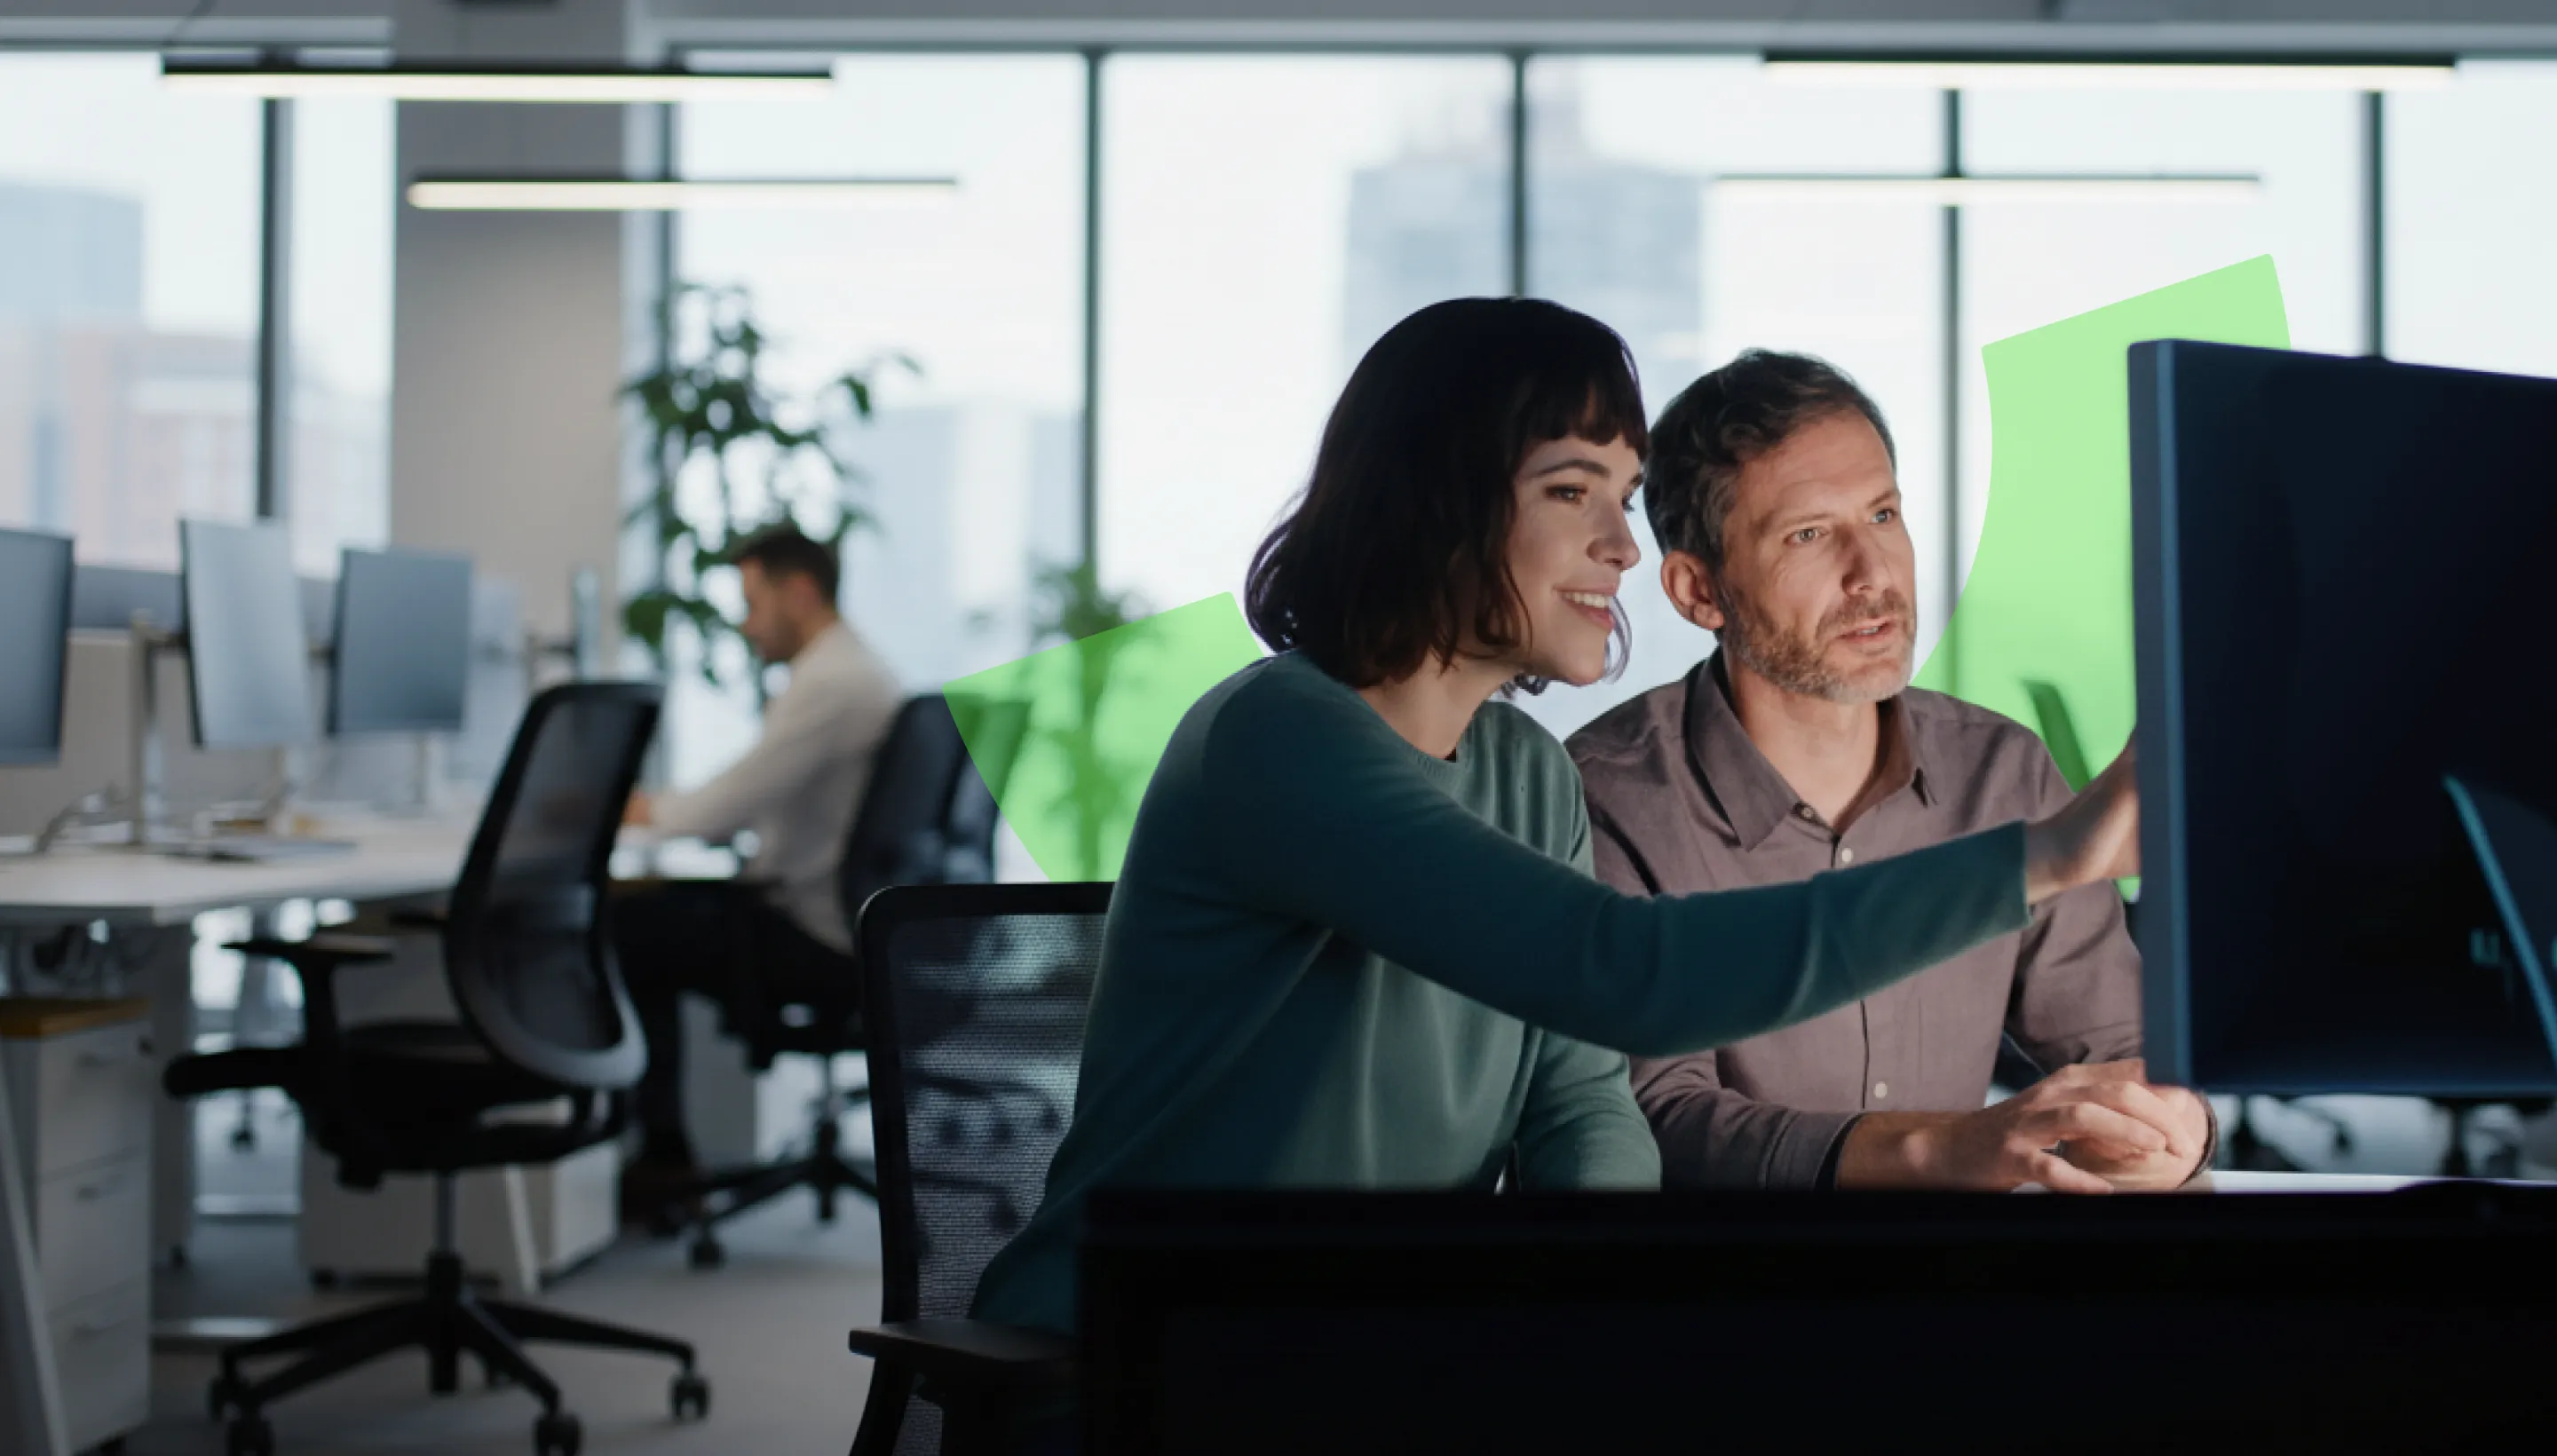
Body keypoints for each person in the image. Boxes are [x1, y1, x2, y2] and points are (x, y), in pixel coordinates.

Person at [968, 299, 2148, 1354]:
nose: (1622, 547)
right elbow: (1629, 975)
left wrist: (1595, 1303)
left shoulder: (1525, 775)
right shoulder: (1278, 740)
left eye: (1624, 500)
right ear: (1441, 504)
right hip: (1151, 1355)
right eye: (1573, 492)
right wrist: (2046, 858)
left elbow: (1579, 1101)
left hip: (1369, 1345)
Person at [1567, 350, 2211, 1193]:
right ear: (1698, 592)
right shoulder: (1602, 797)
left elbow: (2121, 1049)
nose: (1873, 576)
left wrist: (2170, 1129)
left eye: (1881, 515)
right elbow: (1656, 1120)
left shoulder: (2000, 770)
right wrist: (1945, 1150)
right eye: (1808, 535)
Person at [614, 525, 901, 1216]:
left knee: (626, 930)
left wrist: (628, 809)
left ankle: (663, 1161)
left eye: (752, 602)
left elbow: (718, 811)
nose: (745, 626)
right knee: (654, 918)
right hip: (850, 925)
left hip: (819, 935)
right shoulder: (855, 669)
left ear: (798, 592)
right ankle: (658, 1155)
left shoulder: (832, 684)